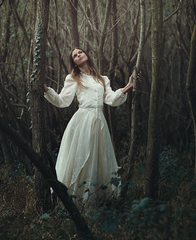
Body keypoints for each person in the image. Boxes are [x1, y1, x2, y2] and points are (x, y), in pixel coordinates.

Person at [44, 48, 134, 208]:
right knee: (83, 158)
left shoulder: (102, 79)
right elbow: (62, 101)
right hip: (82, 121)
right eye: (75, 56)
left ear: (86, 54)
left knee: (99, 158)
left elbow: (111, 99)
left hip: (99, 121)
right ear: (74, 63)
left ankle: (100, 200)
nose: (78, 55)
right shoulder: (73, 78)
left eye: (80, 52)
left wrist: (128, 86)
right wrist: (45, 89)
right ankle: (77, 201)